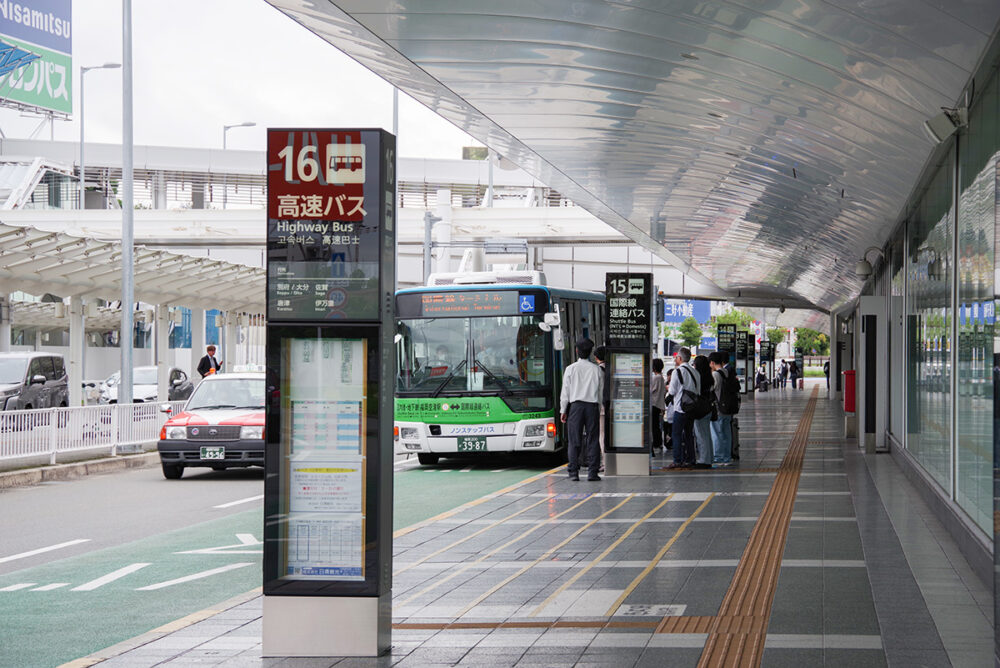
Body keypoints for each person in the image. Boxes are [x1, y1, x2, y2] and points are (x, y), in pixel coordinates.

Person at [559, 337, 603, 481]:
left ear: (577, 351)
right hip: (592, 406)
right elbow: (600, 392)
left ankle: (573, 473)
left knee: (574, 440)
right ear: (591, 352)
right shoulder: (596, 370)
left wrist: (563, 410)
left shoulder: (570, 369)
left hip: (575, 407)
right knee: (593, 440)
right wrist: (599, 406)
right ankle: (592, 472)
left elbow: (565, 392)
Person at [666, 347, 698, 469]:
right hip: (692, 408)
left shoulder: (677, 371)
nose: (675, 359)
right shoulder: (695, 372)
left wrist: (669, 389)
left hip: (680, 408)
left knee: (677, 434)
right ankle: (691, 459)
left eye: (676, 358)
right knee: (689, 434)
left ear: (679, 358)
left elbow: (673, 390)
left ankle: (677, 460)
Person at [709, 352, 736, 465]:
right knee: (726, 433)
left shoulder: (716, 375)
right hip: (728, 408)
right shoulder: (727, 372)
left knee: (716, 433)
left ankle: (718, 457)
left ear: (712, 362)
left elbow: (712, 389)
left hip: (718, 408)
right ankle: (727, 457)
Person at [691, 355, 714, 469]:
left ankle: (704, 460)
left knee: (701, 434)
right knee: (706, 434)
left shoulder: (698, 377)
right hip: (708, 408)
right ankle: (709, 457)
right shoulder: (709, 377)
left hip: (700, 409)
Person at [594, 345, 610, 473]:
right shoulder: (611, 368)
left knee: (602, 435)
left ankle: (605, 462)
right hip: (612, 405)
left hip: (602, 407)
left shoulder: (598, 370)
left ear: (596, 357)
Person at [650, 358, 666, 455]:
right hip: (658, 404)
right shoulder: (661, 378)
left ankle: (656, 443)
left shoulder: (656, 378)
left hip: (654, 404)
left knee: (654, 425)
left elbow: (651, 390)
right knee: (656, 425)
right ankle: (658, 442)